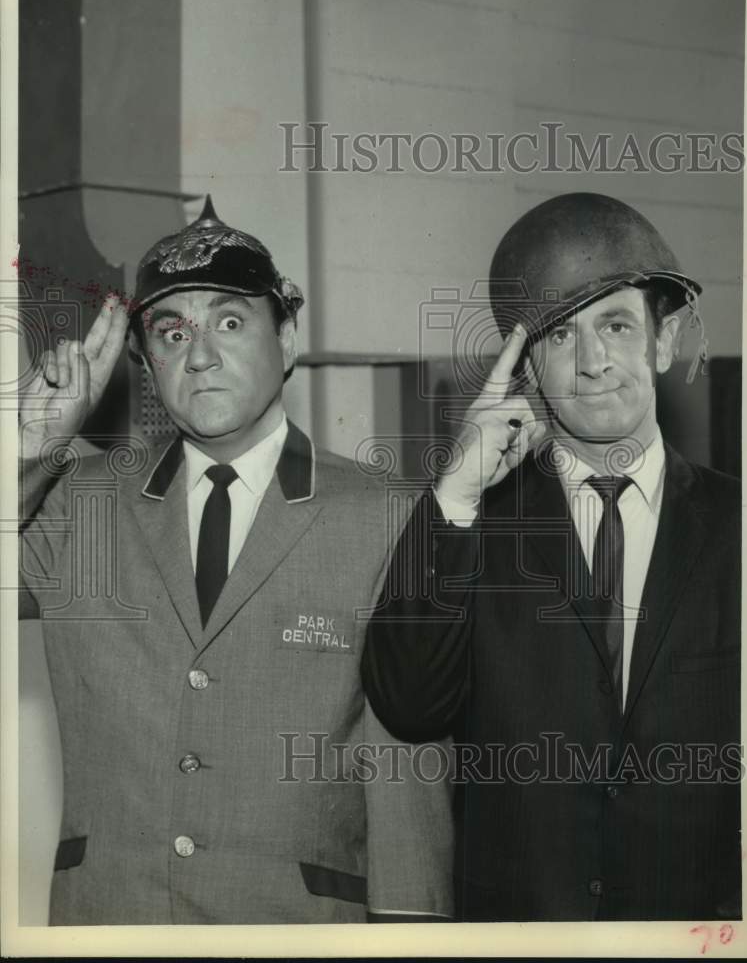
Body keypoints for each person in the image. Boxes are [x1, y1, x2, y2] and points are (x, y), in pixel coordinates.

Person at [19, 197, 453, 925]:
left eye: (228, 321)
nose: (200, 353)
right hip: (112, 922)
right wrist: (30, 450)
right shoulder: (76, 504)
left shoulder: (387, 514)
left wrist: (412, 936)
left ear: (285, 339)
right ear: (146, 363)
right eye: (170, 330)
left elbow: (407, 761)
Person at [362, 192, 741, 921]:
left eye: (616, 325)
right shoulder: (469, 520)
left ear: (662, 342)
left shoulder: (740, 527)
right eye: (561, 335)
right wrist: (455, 497)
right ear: (526, 366)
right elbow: (407, 707)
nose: (594, 362)